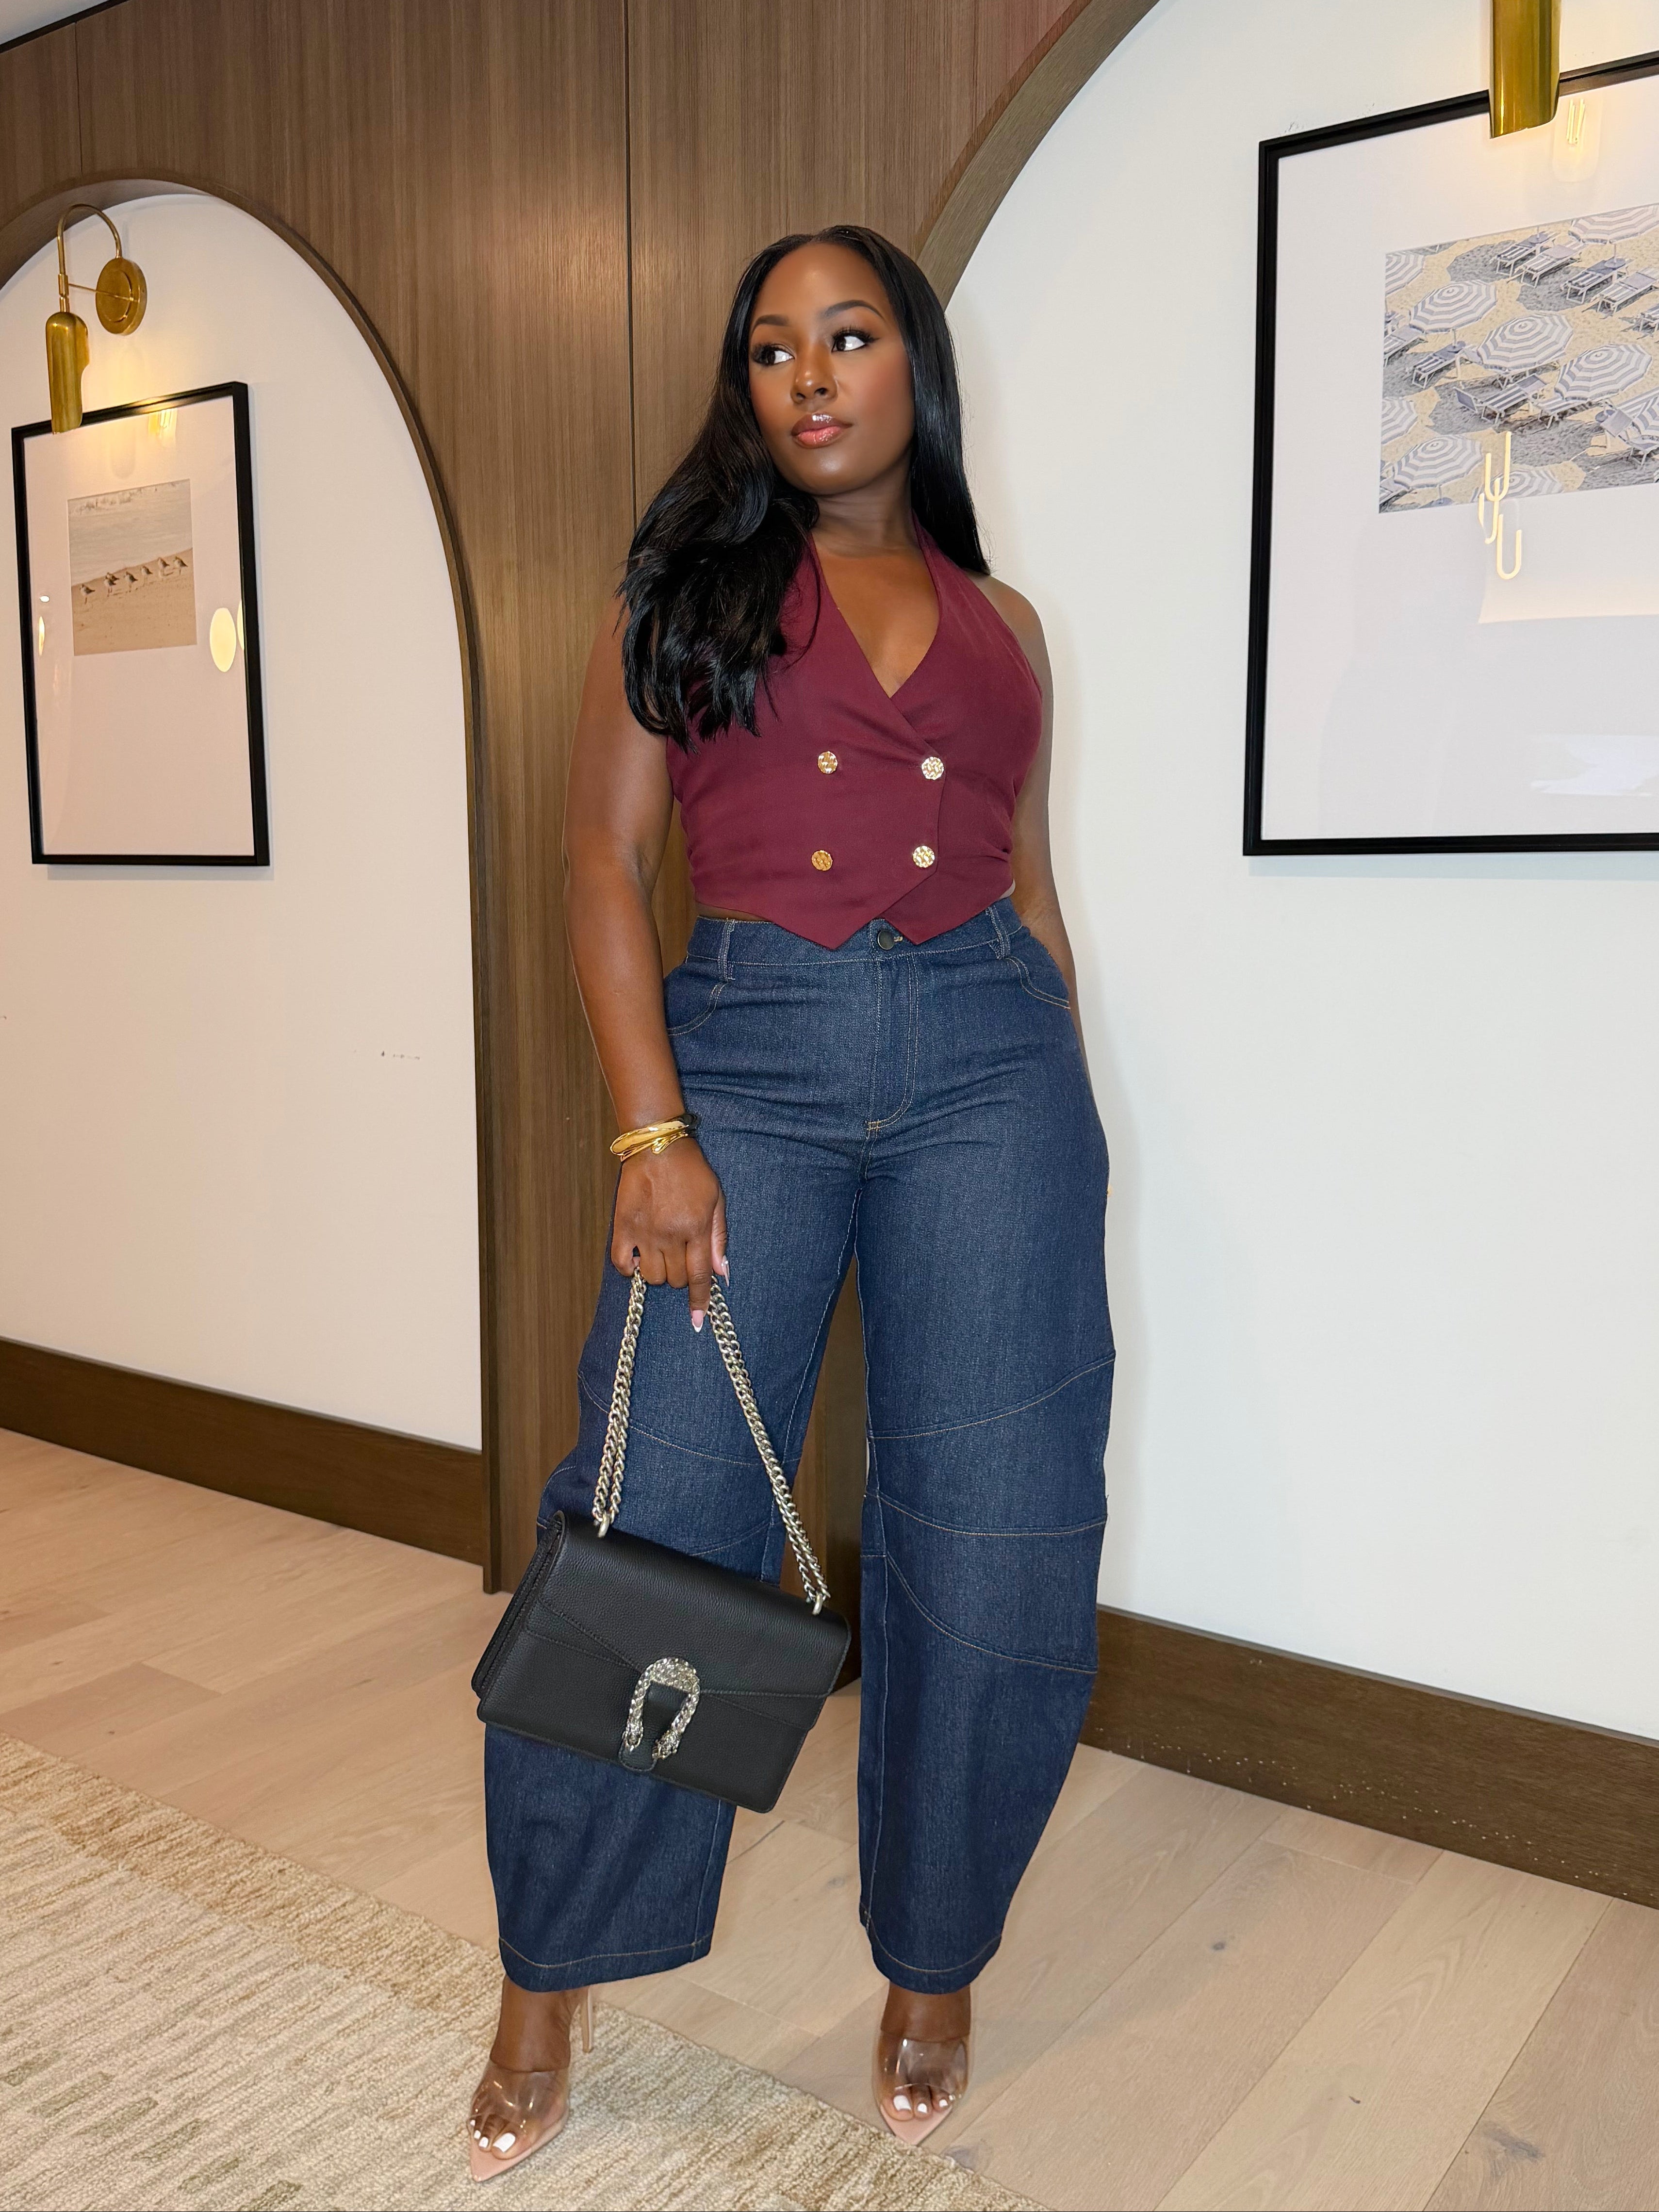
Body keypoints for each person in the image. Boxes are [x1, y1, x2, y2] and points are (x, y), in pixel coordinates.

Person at [467, 223, 1112, 2181]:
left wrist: (1060, 1067)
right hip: (745, 1054)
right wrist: (651, 1137)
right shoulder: (681, 595)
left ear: (914, 363)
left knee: (995, 1538)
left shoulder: (1010, 626)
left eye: (848, 337)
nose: (812, 375)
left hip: (992, 1069)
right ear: (745, 390)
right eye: (772, 348)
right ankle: (549, 1967)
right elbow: (599, 862)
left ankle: (933, 1957)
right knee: (661, 1517)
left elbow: (1025, 884)